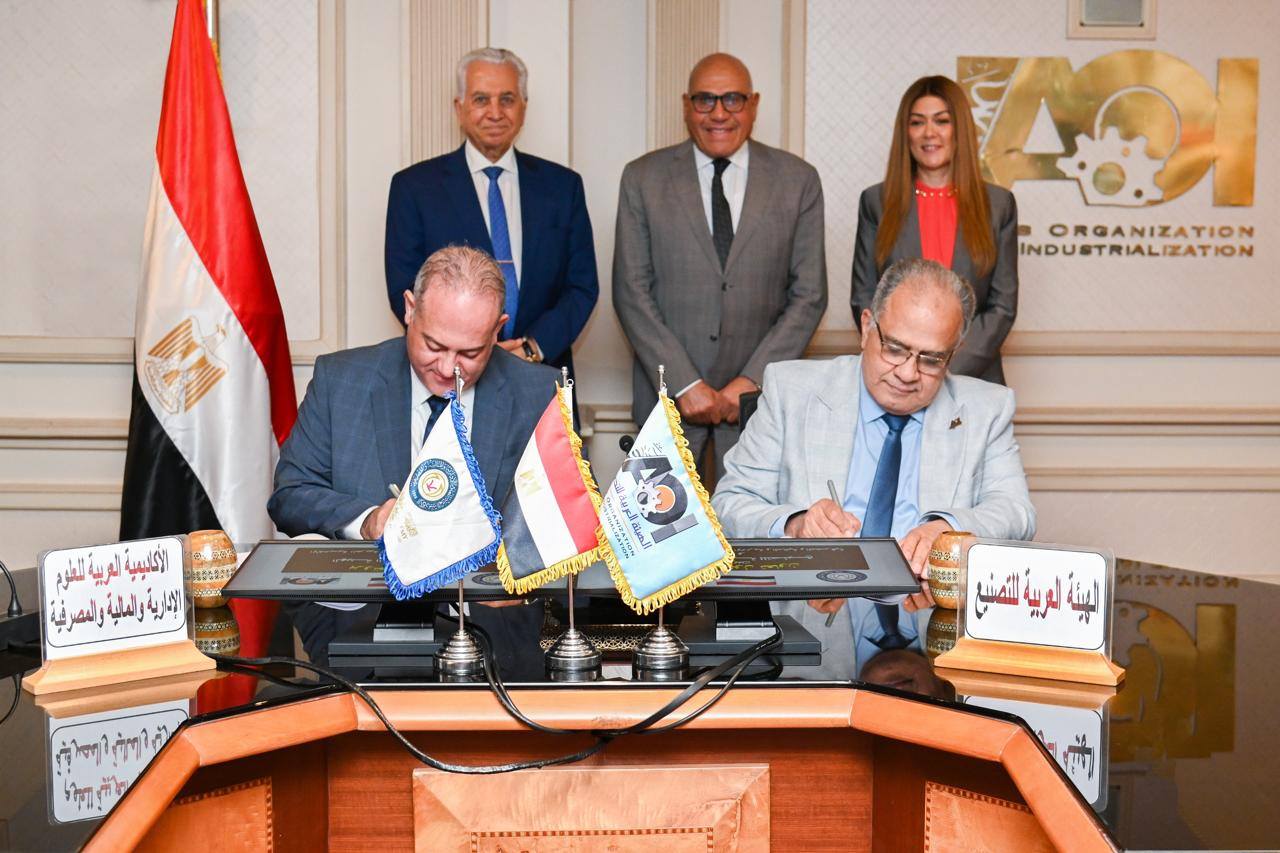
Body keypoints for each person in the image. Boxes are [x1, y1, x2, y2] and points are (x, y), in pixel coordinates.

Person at [712, 258, 1035, 672]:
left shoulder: (986, 409)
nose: (908, 373)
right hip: (811, 638)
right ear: (867, 327)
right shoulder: (791, 391)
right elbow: (728, 505)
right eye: (895, 348)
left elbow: (1017, 513)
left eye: (931, 359)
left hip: (933, 633)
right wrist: (795, 525)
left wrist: (949, 528)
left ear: (952, 355)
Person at [270, 246, 559, 673]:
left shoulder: (540, 393)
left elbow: (563, 522)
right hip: (357, 633)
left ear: (498, 330)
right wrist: (368, 521)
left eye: (470, 353)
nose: (447, 368)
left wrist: (510, 568)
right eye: (433, 345)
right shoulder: (341, 380)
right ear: (409, 309)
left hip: (496, 641)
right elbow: (291, 495)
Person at [613, 52, 826, 480]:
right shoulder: (643, 178)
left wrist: (751, 382)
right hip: (668, 405)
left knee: (754, 524)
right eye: (705, 100)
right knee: (660, 524)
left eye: (733, 99)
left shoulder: (798, 180)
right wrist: (684, 383)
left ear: (754, 104)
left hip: (761, 408)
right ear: (686, 105)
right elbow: (631, 292)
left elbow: (809, 296)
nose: (719, 113)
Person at [384, 48, 598, 378]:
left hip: (544, 376)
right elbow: (406, 288)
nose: (495, 112)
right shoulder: (414, 188)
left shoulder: (563, 187)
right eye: (481, 99)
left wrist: (532, 348)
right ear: (459, 108)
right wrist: (466, 350)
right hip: (449, 377)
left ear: (524, 107)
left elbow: (582, 286)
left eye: (507, 99)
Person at [851, 75, 1018, 384]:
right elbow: (865, 295)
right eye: (917, 122)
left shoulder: (999, 205)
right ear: (906, 133)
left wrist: (941, 367)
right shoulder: (876, 202)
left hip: (974, 378)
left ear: (960, 129)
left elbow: (1003, 306)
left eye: (942, 121)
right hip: (897, 377)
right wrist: (907, 365)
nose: (929, 132)